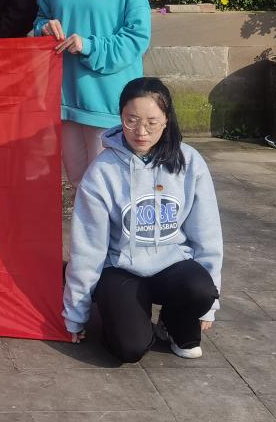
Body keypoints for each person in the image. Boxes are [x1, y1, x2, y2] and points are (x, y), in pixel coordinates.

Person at [64, 77, 222, 363]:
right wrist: (75, 313)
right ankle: (119, 312)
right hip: (121, 268)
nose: (140, 131)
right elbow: (88, 247)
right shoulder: (102, 171)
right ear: (121, 117)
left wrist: (209, 305)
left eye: (152, 122)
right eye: (131, 120)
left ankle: (172, 324)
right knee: (130, 348)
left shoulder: (189, 162)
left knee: (200, 290)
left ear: (166, 120)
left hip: (172, 264)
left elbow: (207, 234)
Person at [34, 0, 151, 186]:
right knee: (78, 186)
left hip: (108, 102)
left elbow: (137, 38)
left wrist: (88, 46)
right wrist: (44, 28)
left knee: (109, 188)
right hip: (65, 100)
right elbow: (38, 21)